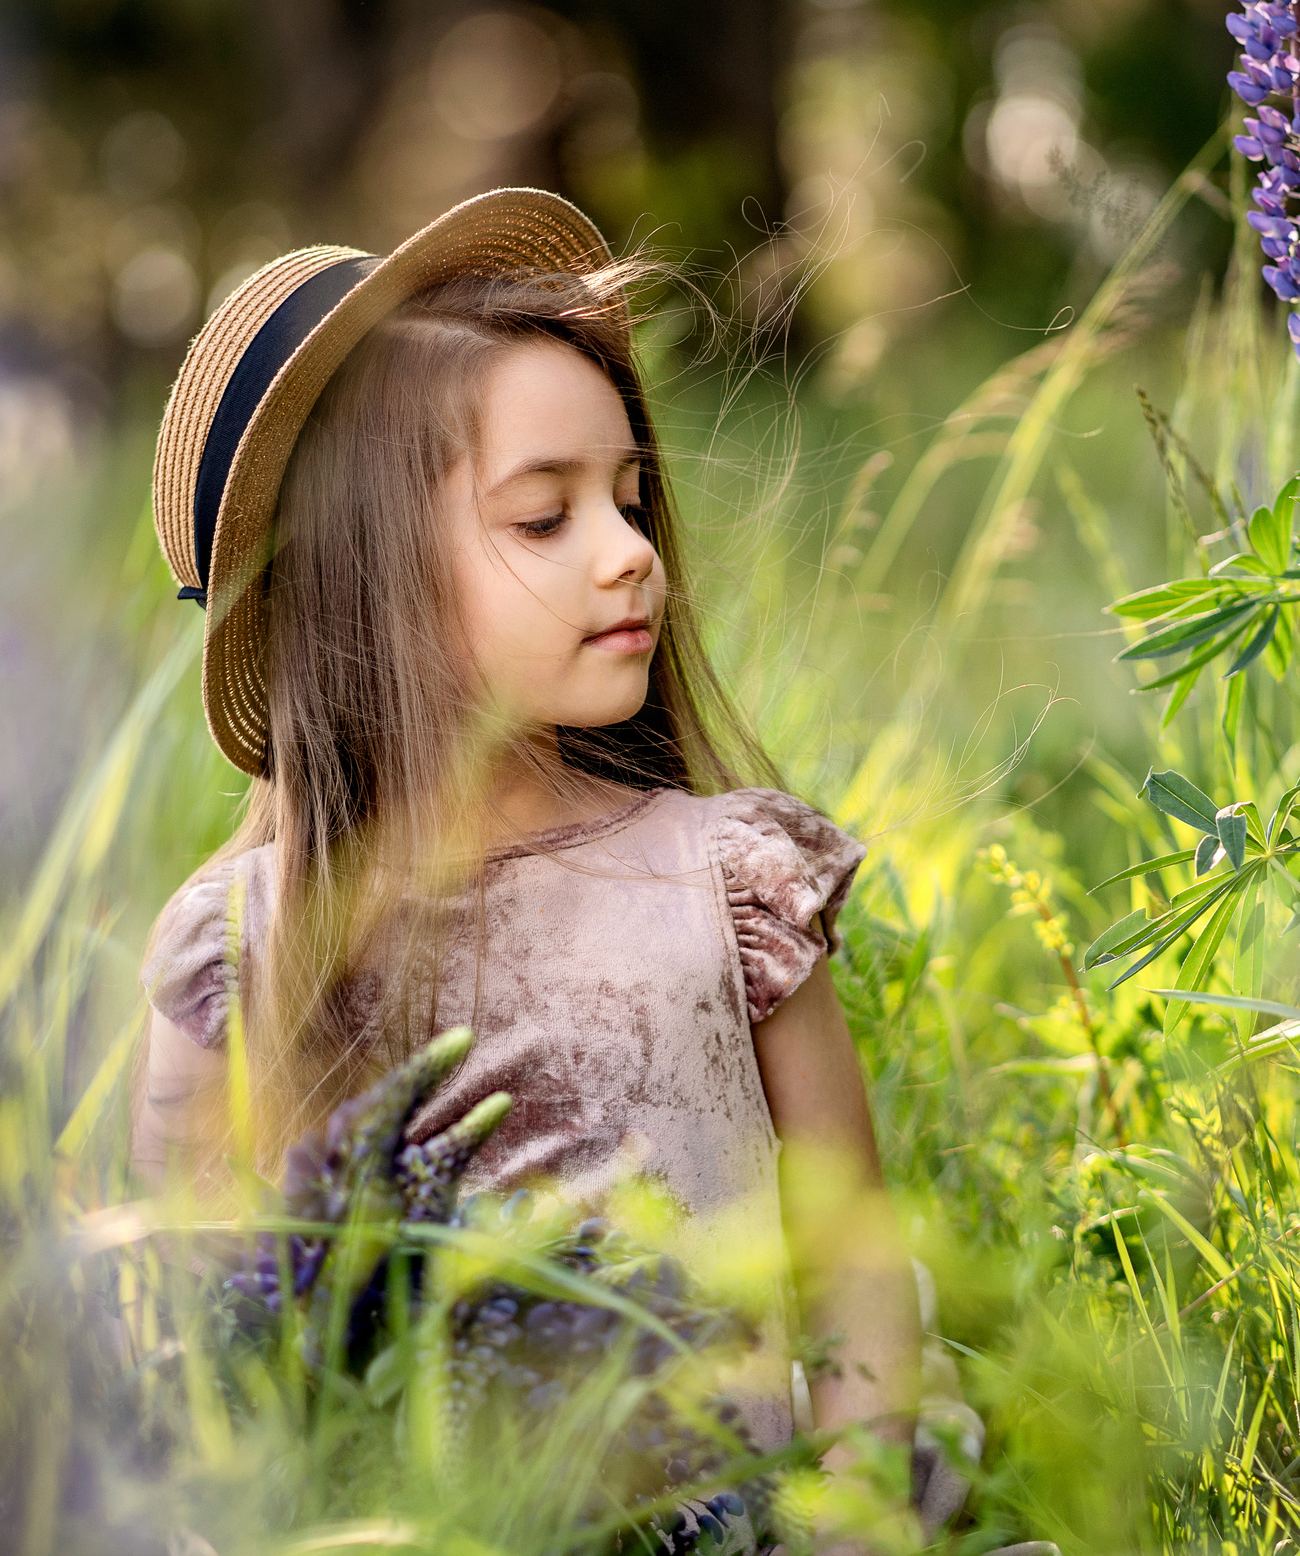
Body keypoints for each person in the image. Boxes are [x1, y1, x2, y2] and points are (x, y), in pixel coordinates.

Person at [128, 189, 943, 1537]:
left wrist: (854, 1511)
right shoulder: (246, 949)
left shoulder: (724, 879)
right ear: (362, 573)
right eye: (544, 518)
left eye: (631, 499)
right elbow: (194, 1336)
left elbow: (855, 1260)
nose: (634, 557)